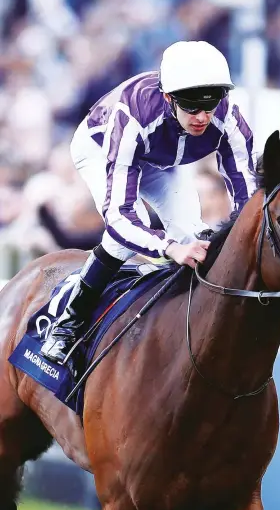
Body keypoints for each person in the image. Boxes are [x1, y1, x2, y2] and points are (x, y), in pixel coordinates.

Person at [41, 40, 255, 364]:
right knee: (132, 230)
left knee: (194, 235)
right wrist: (169, 248)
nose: (202, 117)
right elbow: (120, 216)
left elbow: (248, 200)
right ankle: (68, 321)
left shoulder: (230, 120)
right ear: (169, 98)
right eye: (191, 106)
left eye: (210, 106)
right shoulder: (134, 115)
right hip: (102, 149)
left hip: (164, 161)